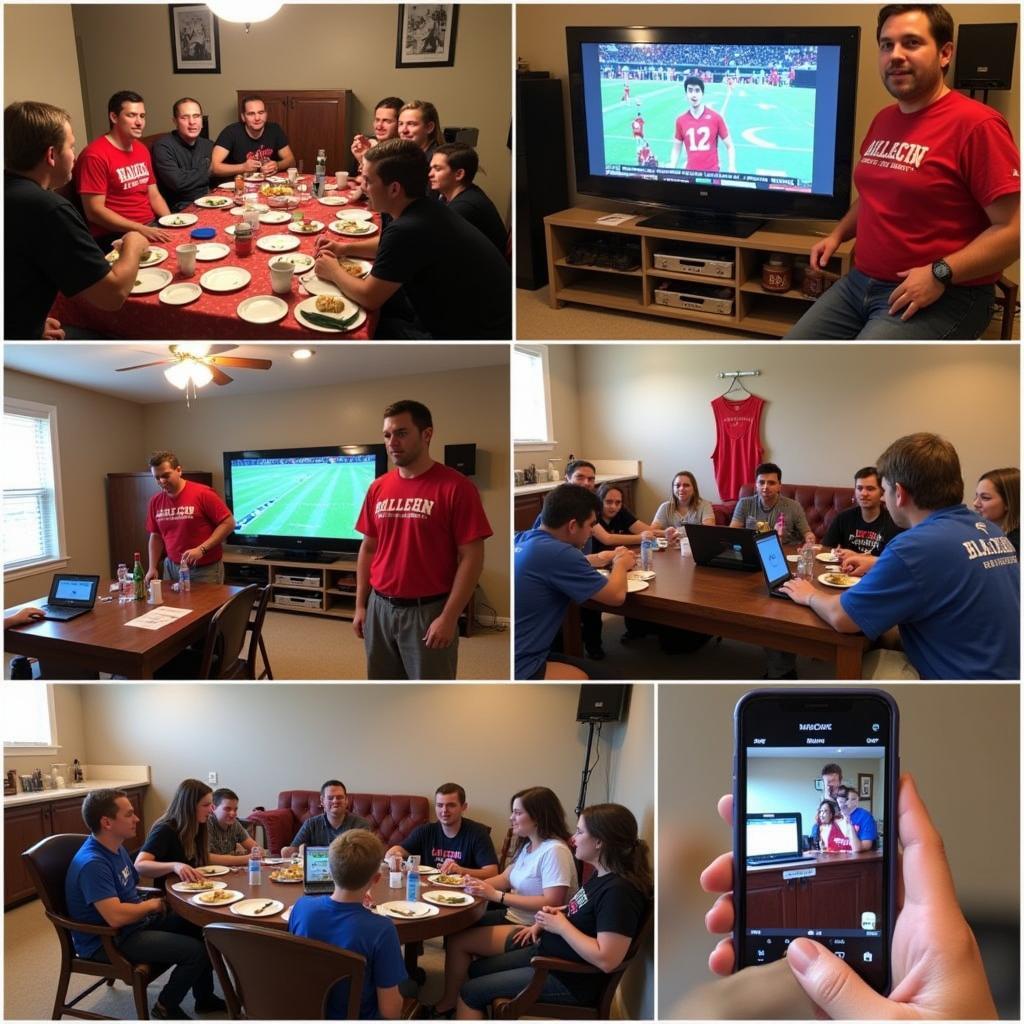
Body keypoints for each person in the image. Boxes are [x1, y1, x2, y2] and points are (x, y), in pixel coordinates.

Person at [787, 5, 1020, 340]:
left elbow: (1013, 231)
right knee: (791, 356)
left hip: (946, 293)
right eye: (886, 45)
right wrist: (837, 235)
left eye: (911, 43)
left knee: (864, 380)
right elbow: (875, 195)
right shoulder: (884, 119)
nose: (895, 55)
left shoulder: (978, 125)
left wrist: (940, 273)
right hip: (860, 284)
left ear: (945, 53)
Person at [698, 774, 997, 1019]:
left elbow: (859, 849)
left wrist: (844, 817)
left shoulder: (858, 818)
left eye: (846, 798)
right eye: (835, 801)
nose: (840, 803)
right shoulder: (818, 825)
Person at [781, 433, 1020, 679]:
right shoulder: (988, 529)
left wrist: (809, 595)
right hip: (1008, 676)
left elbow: (843, 618)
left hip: (968, 690)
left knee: (861, 665)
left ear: (899, 493)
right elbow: (943, 572)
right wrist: (876, 563)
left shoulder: (915, 546)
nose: (883, 498)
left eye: (883, 490)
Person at [455, 803, 652, 1019]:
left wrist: (561, 926)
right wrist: (551, 918)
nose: (573, 839)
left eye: (579, 831)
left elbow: (607, 959)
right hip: (548, 952)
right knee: (476, 970)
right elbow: (585, 911)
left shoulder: (619, 892)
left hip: (567, 977)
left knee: (470, 992)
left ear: (599, 842)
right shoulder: (602, 874)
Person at [311, 140, 512, 339]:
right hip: (482, 313)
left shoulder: (407, 229)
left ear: (394, 189)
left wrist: (333, 270)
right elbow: (387, 246)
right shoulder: (425, 207)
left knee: (361, 325)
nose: (363, 187)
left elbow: (369, 296)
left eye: (368, 180)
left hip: (472, 334)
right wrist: (343, 249)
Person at [353, 400, 492, 680]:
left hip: (427, 611)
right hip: (379, 607)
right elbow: (368, 548)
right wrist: (360, 605)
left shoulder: (457, 488)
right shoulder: (378, 487)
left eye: (402, 433)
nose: (393, 442)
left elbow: (472, 557)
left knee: (430, 697)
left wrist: (450, 617)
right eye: (387, 435)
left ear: (427, 434)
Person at [65, 788, 222, 1020]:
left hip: (134, 924)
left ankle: (204, 998)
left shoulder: (115, 849)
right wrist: (153, 906)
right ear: (107, 822)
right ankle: (165, 1007)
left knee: (203, 927)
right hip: (110, 939)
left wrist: (150, 906)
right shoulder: (93, 864)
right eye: (129, 814)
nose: (137, 818)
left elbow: (130, 888)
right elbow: (115, 917)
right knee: (196, 953)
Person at [4, 100, 147, 340]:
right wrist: (134, 241)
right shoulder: (49, 209)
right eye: (71, 146)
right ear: (52, 155)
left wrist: (25, 324)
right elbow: (112, 296)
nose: (74, 155)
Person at [430, 787, 576, 1016]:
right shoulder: (528, 845)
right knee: (456, 927)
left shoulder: (554, 851)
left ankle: (453, 1000)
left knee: (458, 941)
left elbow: (552, 901)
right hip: (515, 915)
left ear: (537, 816)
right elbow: (505, 877)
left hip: (534, 928)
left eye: (517, 813)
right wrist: (467, 883)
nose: (511, 818)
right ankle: (456, 997)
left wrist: (497, 896)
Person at [514, 484, 635, 679]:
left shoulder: (522, 538)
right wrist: (621, 563)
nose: (590, 533)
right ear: (572, 526)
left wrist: (599, 558)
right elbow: (616, 596)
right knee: (612, 681)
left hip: (514, 651)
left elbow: (547, 566)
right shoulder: (561, 553)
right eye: (590, 525)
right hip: (522, 665)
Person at [288, 829, 406, 1019]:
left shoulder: (301, 908)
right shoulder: (382, 929)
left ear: (329, 869)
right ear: (375, 880)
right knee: (410, 989)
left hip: (308, 1012)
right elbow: (390, 1012)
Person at [74, 91, 172, 249]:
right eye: (132, 115)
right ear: (114, 117)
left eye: (142, 116)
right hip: (115, 234)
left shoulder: (141, 149)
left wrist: (171, 222)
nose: (139, 122)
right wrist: (140, 229)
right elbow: (94, 211)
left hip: (149, 226)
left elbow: (153, 194)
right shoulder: (94, 155)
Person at [144, 451, 235, 587]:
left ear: (179, 470)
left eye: (165, 475)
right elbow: (156, 535)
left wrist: (202, 549)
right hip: (172, 568)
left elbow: (229, 523)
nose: (161, 481)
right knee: (172, 607)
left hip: (204, 569)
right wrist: (152, 567)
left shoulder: (203, 493)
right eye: (157, 478)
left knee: (206, 608)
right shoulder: (156, 501)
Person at [384, 783, 498, 879]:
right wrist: (394, 854)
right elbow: (400, 850)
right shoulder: (425, 831)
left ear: (464, 807)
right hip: (428, 892)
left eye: (451, 805)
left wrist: (461, 871)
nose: (444, 811)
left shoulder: (477, 833)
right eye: (440, 805)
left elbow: (492, 872)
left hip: (464, 893)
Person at [428, 143, 507, 253]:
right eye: (431, 168)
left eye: (437, 169)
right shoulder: (468, 192)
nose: (430, 174)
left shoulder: (464, 207)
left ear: (459, 174)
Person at [823, 466, 903, 556]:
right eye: (859, 488)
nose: (863, 493)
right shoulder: (843, 518)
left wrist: (856, 557)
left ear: (881, 492)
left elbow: (893, 560)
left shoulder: (893, 521)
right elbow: (826, 549)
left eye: (870, 489)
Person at [729, 463, 816, 545]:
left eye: (771, 483)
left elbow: (807, 533)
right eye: (761, 482)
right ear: (756, 485)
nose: (765, 487)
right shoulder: (744, 503)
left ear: (779, 486)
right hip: (754, 549)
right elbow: (732, 532)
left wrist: (809, 538)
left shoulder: (794, 506)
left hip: (785, 551)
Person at [281, 780, 371, 858]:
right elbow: (289, 852)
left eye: (339, 797)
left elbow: (368, 855)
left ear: (346, 800)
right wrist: (297, 853)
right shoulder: (311, 824)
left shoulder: (361, 824)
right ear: (322, 801)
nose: (335, 801)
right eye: (330, 798)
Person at [151, 98, 214, 210]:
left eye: (196, 116)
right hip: (180, 210)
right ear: (175, 121)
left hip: (210, 203)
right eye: (184, 117)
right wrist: (208, 171)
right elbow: (178, 183)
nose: (192, 122)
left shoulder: (208, 145)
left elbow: (219, 178)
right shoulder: (163, 147)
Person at [211, 95, 295, 178]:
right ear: (243, 117)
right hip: (237, 186)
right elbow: (214, 168)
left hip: (267, 186)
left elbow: (291, 161)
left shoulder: (275, 129)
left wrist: (277, 165)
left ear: (266, 114)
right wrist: (243, 167)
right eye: (251, 114)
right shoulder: (230, 132)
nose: (257, 118)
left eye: (261, 112)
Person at [668, 76, 735, 173]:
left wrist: (732, 166)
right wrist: (671, 168)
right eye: (690, 91)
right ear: (686, 94)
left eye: (697, 91)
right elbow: (676, 149)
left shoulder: (716, 118)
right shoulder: (680, 120)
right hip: (690, 175)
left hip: (712, 175)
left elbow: (730, 146)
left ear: (702, 93)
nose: (693, 95)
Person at [207, 787, 262, 864]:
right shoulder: (206, 823)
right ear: (213, 808)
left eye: (235, 809)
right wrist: (247, 858)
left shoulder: (234, 824)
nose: (233, 813)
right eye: (227, 809)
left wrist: (258, 851)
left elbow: (254, 847)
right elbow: (207, 858)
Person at [973, 467, 1019, 553]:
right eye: (976, 496)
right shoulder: (989, 533)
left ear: (1009, 502)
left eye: (985, 498)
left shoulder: (1015, 544)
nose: (975, 503)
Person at [651, 470, 715, 530]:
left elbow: (708, 531)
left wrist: (674, 533)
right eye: (677, 486)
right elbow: (652, 530)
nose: (681, 488)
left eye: (686, 485)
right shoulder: (665, 507)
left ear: (694, 489)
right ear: (673, 489)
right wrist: (666, 534)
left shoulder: (705, 505)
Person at [351, 96, 404, 164]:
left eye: (386, 121)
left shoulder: (406, 152)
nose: (379, 126)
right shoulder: (365, 145)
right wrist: (362, 159)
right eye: (377, 120)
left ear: (400, 123)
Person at [836, 785, 878, 851]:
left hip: (859, 857)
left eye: (854, 799)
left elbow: (866, 846)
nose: (850, 802)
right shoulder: (836, 817)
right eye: (847, 799)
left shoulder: (865, 816)